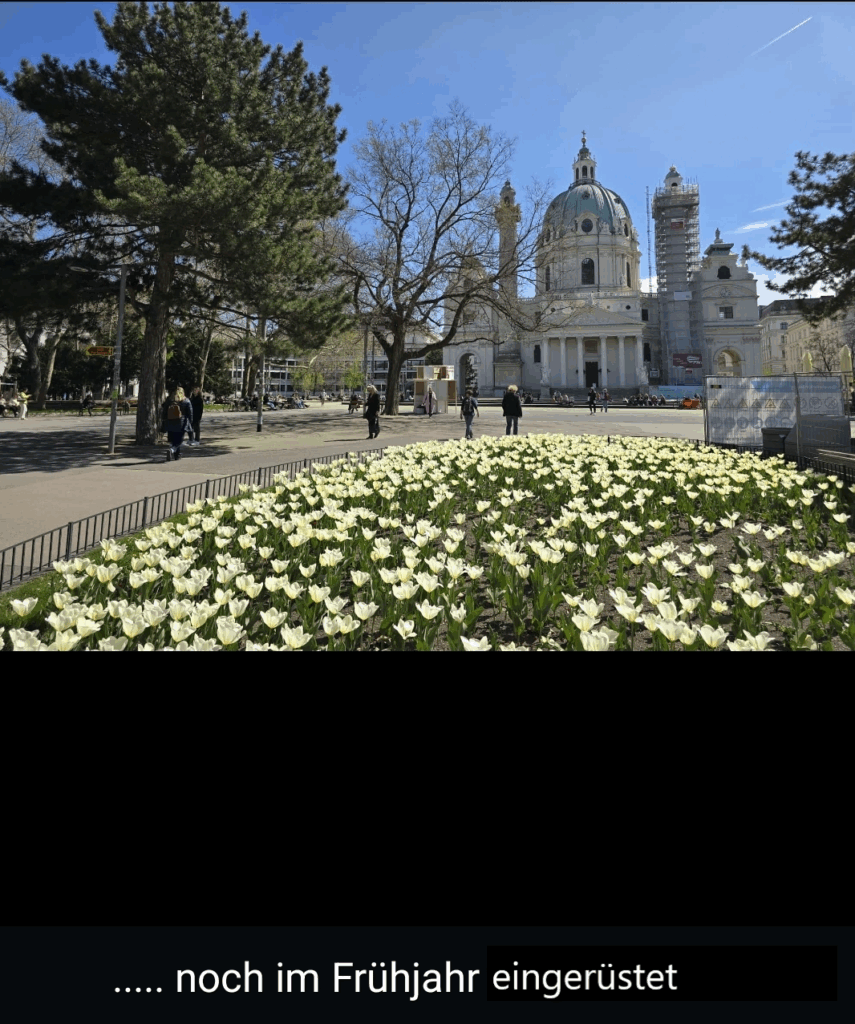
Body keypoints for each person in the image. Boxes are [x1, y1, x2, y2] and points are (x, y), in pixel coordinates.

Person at [162, 386, 193, 462]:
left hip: (170, 423)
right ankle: (172, 450)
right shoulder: (186, 401)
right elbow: (190, 413)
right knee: (179, 441)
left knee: (173, 440)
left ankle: (177, 455)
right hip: (181, 423)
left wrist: (164, 421)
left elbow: (164, 412)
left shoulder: (169, 400)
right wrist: (190, 422)